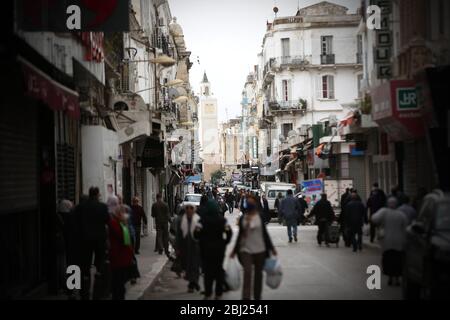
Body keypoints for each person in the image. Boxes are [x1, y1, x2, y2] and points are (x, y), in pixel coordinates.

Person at [231, 195, 277, 300]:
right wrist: (234, 250)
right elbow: (240, 235)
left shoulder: (260, 217)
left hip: (260, 250)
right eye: (249, 203)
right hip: (245, 250)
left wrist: (271, 248)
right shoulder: (243, 218)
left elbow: (264, 234)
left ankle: (257, 296)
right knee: (247, 273)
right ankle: (246, 297)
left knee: (258, 275)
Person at [196, 200, 233, 300]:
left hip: (205, 249)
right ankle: (218, 293)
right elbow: (229, 233)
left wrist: (201, 241)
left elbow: (196, 234)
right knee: (218, 270)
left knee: (208, 271)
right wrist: (225, 242)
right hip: (219, 249)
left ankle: (208, 293)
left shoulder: (202, 221)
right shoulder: (222, 220)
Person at [77, 187, 110, 300]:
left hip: (85, 240)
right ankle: (98, 291)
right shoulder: (102, 206)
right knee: (100, 263)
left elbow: (77, 222)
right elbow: (107, 221)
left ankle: (85, 292)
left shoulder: (81, 207)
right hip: (99, 240)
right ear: (97, 194)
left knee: (85, 265)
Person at [371, 197, 408, 286]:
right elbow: (406, 226)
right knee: (397, 260)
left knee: (388, 260)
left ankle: (390, 277)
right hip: (399, 241)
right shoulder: (401, 214)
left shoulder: (384, 212)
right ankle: (397, 278)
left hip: (387, 241)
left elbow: (374, 219)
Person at [108, 205, 134, 300]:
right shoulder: (115, 224)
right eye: (123, 213)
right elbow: (124, 239)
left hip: (122, 259)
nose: (125, 215)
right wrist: (124, 223)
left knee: (120, 284)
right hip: (118, 259)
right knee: (118, 285)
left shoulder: (120, 224)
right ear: (119, 214)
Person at [177, 203, 202, 293]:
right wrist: (177, 248)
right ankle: (193, 282)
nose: (189, 210)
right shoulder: (181, 220)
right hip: (185, 246)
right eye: (187, 208)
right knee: (187, 265)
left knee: (195, 265)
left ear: (194, 210)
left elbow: (201, 235)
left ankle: (192, 284)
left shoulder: (198, 219)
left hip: (196, 246)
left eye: (191, 208)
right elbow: (179, 235)